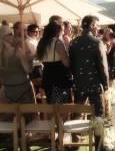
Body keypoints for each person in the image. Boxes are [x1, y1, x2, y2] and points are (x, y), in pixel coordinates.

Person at [69, 15, 108, 150]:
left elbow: (71, 65)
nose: (98, 28)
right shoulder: (97, 42)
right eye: (97, 25)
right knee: (98, 116)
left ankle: (75, 143)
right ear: (91, 26)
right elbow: (103, 67)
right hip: (94, 85)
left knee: (77, 113)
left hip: (79, 84)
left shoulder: (73, 42)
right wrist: (106, 85)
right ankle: (99, 146)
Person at [36, 21, 71, 104]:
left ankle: (51, 117)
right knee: (61, 107)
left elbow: (39, 58)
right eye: (62, 30)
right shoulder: (58, 43)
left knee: (50, 105)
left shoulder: (42, 43)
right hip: (59, 78)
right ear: (57, 31)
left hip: (47, 76)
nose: (63, 33)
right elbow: (67, 63)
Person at [0, 26, 35, 104]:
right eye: (10, 34)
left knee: (5, 115)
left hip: (7, 89)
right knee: (32, 115)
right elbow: (28, 69)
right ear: (5, 37)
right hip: (23, 88)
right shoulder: (18, 52)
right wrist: (31, 58)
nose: (12, 36)